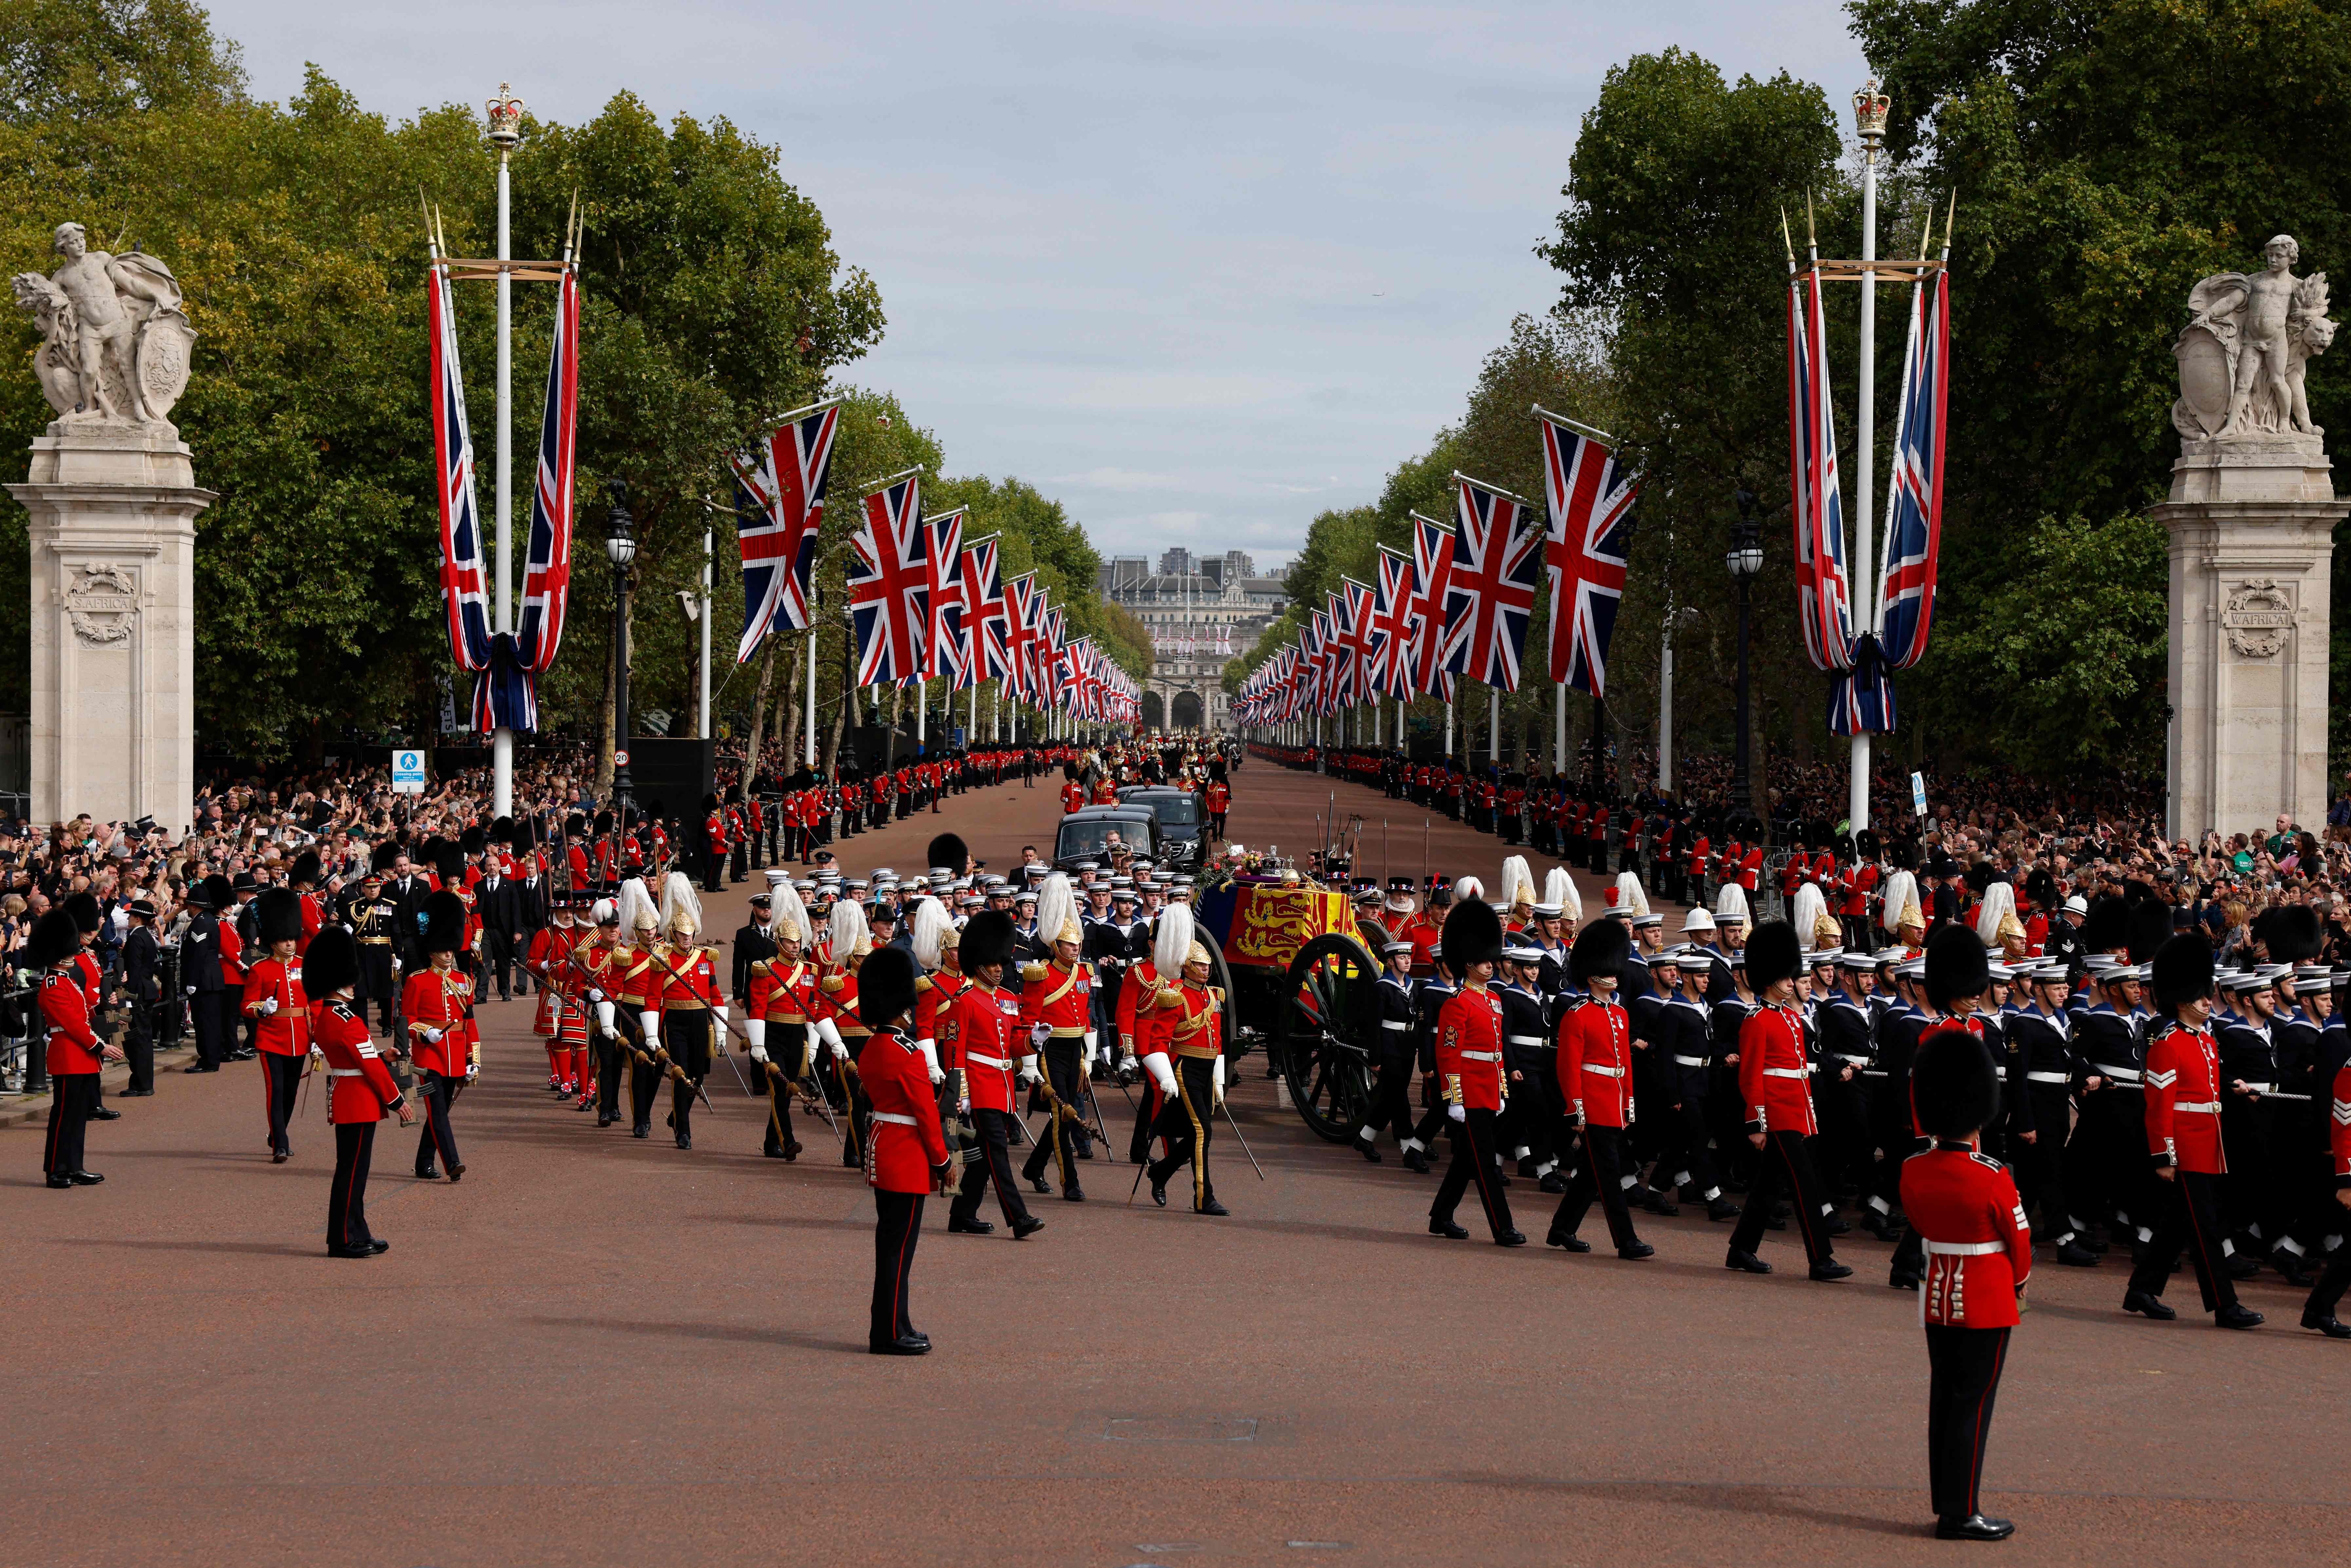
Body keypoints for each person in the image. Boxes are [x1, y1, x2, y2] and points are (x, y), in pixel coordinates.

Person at [1903, 1006, 2031, 1542]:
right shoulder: (1991, 1174)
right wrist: (2019, 1284)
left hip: (1937, 1293)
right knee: (1972, 1406)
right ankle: (1961, 1513)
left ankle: (1948, 1503)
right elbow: (2018, 1243)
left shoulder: (1913, 1169)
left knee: (1944, 1401)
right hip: (1985, 1295)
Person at [2125, 932, 2264, 1329]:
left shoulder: (2205, 1040)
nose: (2210, 1000)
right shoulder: (2167, 1043)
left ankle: (2141, 1289)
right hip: (2185, 1148)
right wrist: (2164, 1156)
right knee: (2205, 1227)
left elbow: (2208, 1085)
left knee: (2176, 1225)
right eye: (2204, 995)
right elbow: (2159, 1107)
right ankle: (2224, 1303)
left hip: (2208, 1143)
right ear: (2184, 999)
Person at [1724, 920, 1852, 1280]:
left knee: (1768, 1187)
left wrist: (1807, 1113)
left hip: (1795, 1110)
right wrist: (1757, 1123)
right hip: (1776, 1114)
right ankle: (1820, 1258)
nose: (1790, 982)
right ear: (1770, 979)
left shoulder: (1792, 1020)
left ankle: (1741, 1249)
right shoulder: (1757, 1021)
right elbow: (1751, 1076)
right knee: (1804, 1185)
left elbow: (1797, 1072)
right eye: (1785, 977)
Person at [857, 944, 951, 1355]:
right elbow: (927, 1115)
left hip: (884, 1149)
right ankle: (889, 1334)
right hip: (908, 1156)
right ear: (901, 1008)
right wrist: (944, 1160)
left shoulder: (873, 1049)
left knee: (891, 1248)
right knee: (899, 1252)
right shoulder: (907, 1054)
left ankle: (898, 1322)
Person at [304, 926, 416, 1257]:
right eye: (349, 978)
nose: (354, 983)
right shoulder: (347, 1020)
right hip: (359, 1099)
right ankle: (341, 1239)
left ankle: (358, 1230)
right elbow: (367, 1067)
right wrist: (397, 1101)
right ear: (338, 980)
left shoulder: (329, 1017)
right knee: (352, 1173)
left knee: (352, 1171)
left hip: (348, 1093)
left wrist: (383, 1055)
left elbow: (358, 1057)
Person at [1548, 920, 1652, 1259]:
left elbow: (1624, 1066)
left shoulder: (1620, 1015)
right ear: (1592, 974)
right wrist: (1575, 1109)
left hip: (1613, 1101)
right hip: (1591, 1103)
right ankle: (1626, 1239)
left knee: (1591, 1175)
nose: (1614, 975)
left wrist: (1628, 1105)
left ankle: (1561, 1228)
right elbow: (1568, 1067)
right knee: (1609, 1174)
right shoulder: (1576, 1015)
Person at [1426, 897, 1524, 1245]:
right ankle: (1502, 1226)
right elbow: (1448, 1053)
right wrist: (1453, 1097)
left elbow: (1497, 1051)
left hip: (1486, 1089)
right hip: (1466, 1090)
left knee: (1468, 1158)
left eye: (1490, 959)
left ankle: (1440, 1215)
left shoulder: (1494, 1001)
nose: (1490, 965)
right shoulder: (1458, 1003)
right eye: (1483, 961)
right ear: (1468, 964)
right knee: (1484, 1162)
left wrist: (1499, 1090)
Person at [942, 909, 1045, 1238]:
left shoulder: (1008, 999)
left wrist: (1033, 1040)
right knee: (997, 1150)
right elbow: (954, 1050)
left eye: (1001, 963)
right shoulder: (964, 1000)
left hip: (1002, 1085)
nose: (999, 968)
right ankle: (1019, 1217)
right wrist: (960, 1093)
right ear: (978, 966)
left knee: (986, 1157)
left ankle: (961, 1214)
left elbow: (1011, 1045)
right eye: (992, 964)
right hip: (978, 1084)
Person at [1141, 904, 1229, 1215]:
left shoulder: (1212, 996)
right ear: (1187, 967)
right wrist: (1165, 1076)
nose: (1206, 970)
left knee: (1196, 1133)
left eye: (1207, 966)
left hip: (1206, 1069)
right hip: (1184, 1070)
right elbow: (1158, 1041)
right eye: (1200, 966)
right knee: (1203, 1131)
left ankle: (1160, 1172)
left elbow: (1216, 1040)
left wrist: (1218, 1077)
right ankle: (1203, 1198)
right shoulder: (1174, 995)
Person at [1019, 875, 1096, 1201]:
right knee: (1062, 1114)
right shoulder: (1041, 974)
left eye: (1077, 943)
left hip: (1075, 1049)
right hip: (1050, 1051)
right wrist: (1029, 1063)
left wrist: (1090, 1056)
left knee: (1067, 1116)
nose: (1075, 948)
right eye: (1069, 944)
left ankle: (1034, 1167)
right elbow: (1027, 1020)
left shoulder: (1084, 972)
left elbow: (1087, 1017)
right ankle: (1071, 1181)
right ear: (1055, 945)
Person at [35, 905, 120, 1187]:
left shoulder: (67, 980)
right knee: (64, 1116)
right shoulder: (54, 984)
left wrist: (110, 1024)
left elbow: (86, 1014)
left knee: (78, 1115)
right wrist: (101, 1046)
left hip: (80, 1056)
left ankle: (74, 1166)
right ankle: (57, 1170)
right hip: (68, 1054)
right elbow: (73, 1024)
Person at [403, 890, 475, 1182]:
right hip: (427, 1057)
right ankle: (453, 1162)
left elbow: (470, 1023)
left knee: (439, 1111)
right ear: (432, 948)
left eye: (451, 948)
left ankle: (423, 1163)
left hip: (455, 1055)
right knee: (438, 1111)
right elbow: (407, 1019)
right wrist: (425, 1031)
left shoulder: (463, 981)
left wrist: (474, 1059)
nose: (449, 952)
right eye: (443, 948)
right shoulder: (417, 980)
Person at [243, 887, 312, 1163]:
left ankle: (278, 1130)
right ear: (273, 942)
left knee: (292, 1092)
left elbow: (313, 1005)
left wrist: (315, 1036)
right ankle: (281, 1144)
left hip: (300, 1039)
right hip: (272, 1039)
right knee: (277, 1090)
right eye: (284, 941)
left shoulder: (305, 966)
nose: (290, 945)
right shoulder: (260, 970)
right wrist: (262, 1008)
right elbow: (246, 1005)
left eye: (291, 940)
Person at [118, 896, 161, 1098]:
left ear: (137, 918)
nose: (128, 919)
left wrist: (129, 997)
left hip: (138, 994)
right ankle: (143, 1083)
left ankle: (141, 1084)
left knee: (138, 1040)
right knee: (143, 1039)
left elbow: (134, 970)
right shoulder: (147, 935)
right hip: (146, 990)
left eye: (131, 916)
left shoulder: (136, 937)